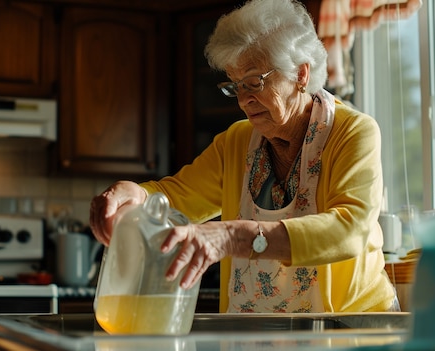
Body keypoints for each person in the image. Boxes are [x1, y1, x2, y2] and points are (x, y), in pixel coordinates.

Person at [90, 0, 398, 313]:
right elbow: (177, 197)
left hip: (347, 333)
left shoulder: (352, 131)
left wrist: (233, 236)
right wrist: (137, 194)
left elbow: (350, 229)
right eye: (235, 86)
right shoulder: (236, 141)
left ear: (301, 74)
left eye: (254, 83)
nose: (244, 100)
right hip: (256, 333)